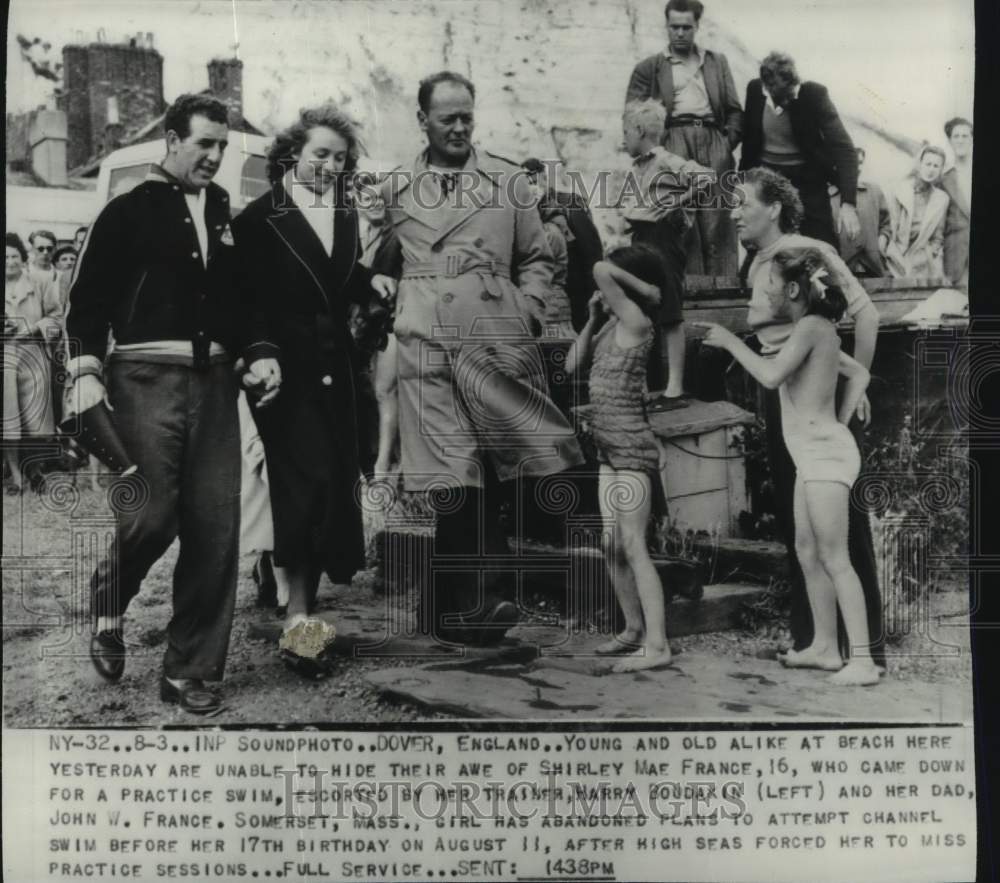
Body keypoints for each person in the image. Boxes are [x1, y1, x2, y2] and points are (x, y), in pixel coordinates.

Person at [370, 70, 584, 646]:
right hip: (425, 342)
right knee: (453, 470)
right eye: (448, 119)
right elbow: (369, 256)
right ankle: (474, 604)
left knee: (496, 465)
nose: (461, 127)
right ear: (423, 121)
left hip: (494, 336)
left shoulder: (510, 181)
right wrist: (381, 291)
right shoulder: (394, 188)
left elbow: (538, 258)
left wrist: (528, 310)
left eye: (468, 116)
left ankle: (445, 611)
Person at [65, 93, 241, 715]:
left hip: (216, 380)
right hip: (142, 378)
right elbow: (85, 302)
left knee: (217, 528)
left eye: (222, 146)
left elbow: (238, 299)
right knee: (152, 514)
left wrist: (257, 350)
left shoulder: (223, 209)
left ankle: (190, 669)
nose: (215, 157)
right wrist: (84, 371)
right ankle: (109, 603)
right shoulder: (126, 211)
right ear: (172, 139)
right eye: (204, 144)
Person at [696, 247, 880, 685]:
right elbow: (858, 375)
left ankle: (863, 661)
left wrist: (730, 341)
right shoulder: (810, 330)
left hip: (823, 457)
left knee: (836, 558)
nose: (765, 292)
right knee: (806, 551)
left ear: (793, 290)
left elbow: (770, 376)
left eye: (770, 286)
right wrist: (840, 420)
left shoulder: (813, 327)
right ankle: (823, 647)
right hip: (812, 453)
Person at [232, 103, 374, 674]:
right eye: (321, 154)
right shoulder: (258, 218)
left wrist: (371, 279)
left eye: (341, 158)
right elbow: (244, 300)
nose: (332, 166)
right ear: (292, 153)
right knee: (303, 492)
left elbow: (334, 278)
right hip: (283, 376)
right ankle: (298, 623)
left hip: (336, 371)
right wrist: (261, 352)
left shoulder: (344, 213)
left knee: (332, 491)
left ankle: (294, 598)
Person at [733, 167, 885, 669]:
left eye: (742, 202)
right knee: (803, 538)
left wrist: (851, 387)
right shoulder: (757, 264)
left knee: (841, 537)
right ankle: (818, 642)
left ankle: (866, 653)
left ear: (773, 207)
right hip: (788, 406)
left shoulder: (808, 251)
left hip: (819, 403)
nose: (733, 212)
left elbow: (865, 314)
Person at [565, 245, 674, 672]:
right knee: (610, 546)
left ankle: (659, 644)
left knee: (632, 544)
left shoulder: (638, 321)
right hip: (608, 449)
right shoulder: (612, 324)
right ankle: (632, 629)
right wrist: (592, 318)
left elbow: (598, 266)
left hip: (630, 447)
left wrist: (645, 287)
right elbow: (574, 365)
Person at [625, 0, 743, 276]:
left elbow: (735, 109)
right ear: (666, 26)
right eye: (674, 27)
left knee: (719, 218)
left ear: (697, 26)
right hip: (673, 138)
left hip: (713, 138)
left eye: (686, 27)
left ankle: (724, 286)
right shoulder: (650, 67)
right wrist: (657, 151)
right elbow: (632, 116)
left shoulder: (716, 62)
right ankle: (688, 289)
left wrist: (726, 145)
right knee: (681, 219)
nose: (680, 33)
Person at [622, 99, 714, 404]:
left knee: (670, 313)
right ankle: (645, 387)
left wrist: (676, 203)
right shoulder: (638, 166)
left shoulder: (664, 159)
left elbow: (705, 177)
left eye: (626, 132)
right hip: (640, 239)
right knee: (643, 310)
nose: (623, 139)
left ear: (639, 130)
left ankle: (675, 386)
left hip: (664, 240)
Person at [741, 52, 860, 250]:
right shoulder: (754, 90)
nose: (790, 102)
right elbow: (749, 143)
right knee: (762, 248)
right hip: (767, 179)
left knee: (822, 247)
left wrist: (848, 204)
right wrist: (743, 187)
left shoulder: (815, 94)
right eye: (784, 98)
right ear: (767, 88)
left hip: (807, 180)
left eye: (792, 94)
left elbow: (844, 148)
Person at [4, 232, 62, 492]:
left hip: (33, 355)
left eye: (14, 255)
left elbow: (56, 316)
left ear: (22, 256)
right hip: (5, 358)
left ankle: (35, 470)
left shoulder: (39, 282)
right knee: (9, 418)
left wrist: (34, 329)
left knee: (37, 417)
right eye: (5, 256)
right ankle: (15, 474)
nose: (10, 261)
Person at [521, 158, 605, 331]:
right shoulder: (523, 210)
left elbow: (592, 254)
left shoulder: (569, 204)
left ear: (544, 178)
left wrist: (593, 301)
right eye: (526, 184)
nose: (531, 188)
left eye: (534, 181)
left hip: (575, 291)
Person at [885, 145, 949, 279]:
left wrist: (929, 255)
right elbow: (889, 228)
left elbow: (938, 236)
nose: (931, 169)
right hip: (894, 258)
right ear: (920, 164)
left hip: (921, 262)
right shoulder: (899, 190)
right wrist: (892, 254)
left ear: (941, 169)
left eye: (936, 166)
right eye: (928, 164)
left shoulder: (942, 199)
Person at [830, 147, 891, 278]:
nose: (857, 168)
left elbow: (886, 223)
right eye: (852, 163)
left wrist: (883, 239)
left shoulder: (874, 191)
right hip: (840, 272)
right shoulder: (825, 197)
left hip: (873, 268)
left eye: (860, 163)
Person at [940, 118, 971, 289]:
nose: (960, 140)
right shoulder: (944, 179)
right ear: (950, 141)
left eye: (965, 136)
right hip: (955, 259)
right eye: (956, 136)